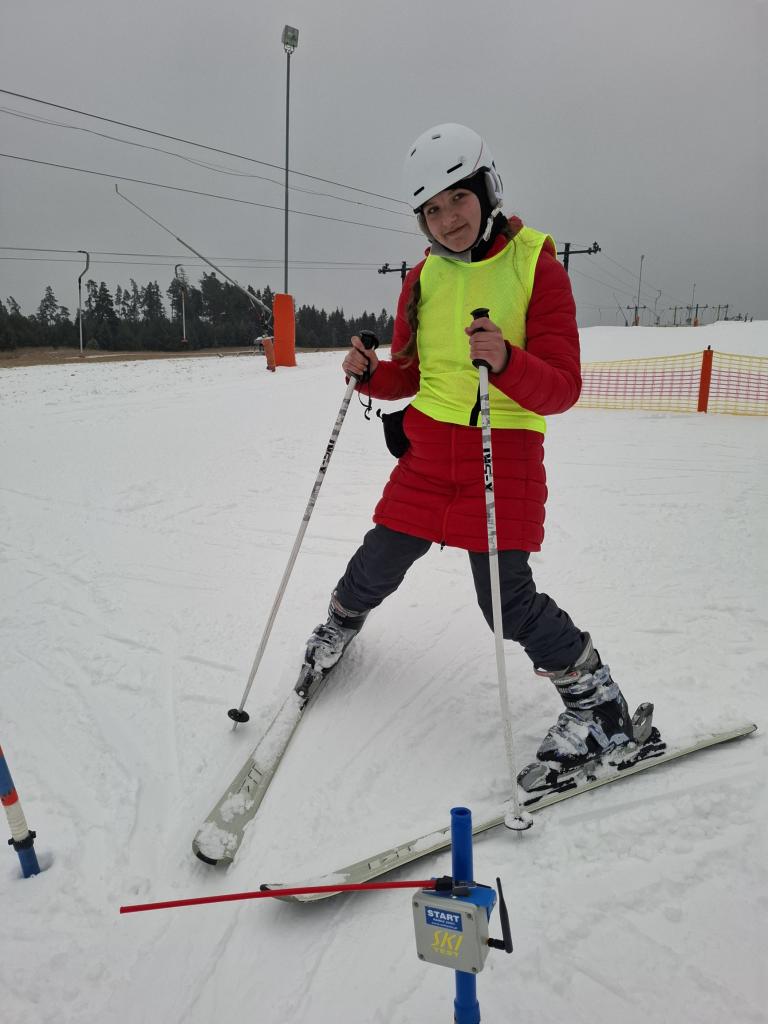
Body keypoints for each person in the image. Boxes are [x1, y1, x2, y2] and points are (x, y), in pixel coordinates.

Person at [304, 123, 642, 772]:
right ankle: (338, 625)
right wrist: (371, 374)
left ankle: (600, 709)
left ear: (488, 189)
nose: (448, 219)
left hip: (501, 452)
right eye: (432, 210)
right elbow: (412, 372)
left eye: (458, 198)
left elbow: (563, 387)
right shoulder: (422, 278)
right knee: (376, 559)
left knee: (505, 603)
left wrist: (506, 360)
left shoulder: (536, 264)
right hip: (429, 453)